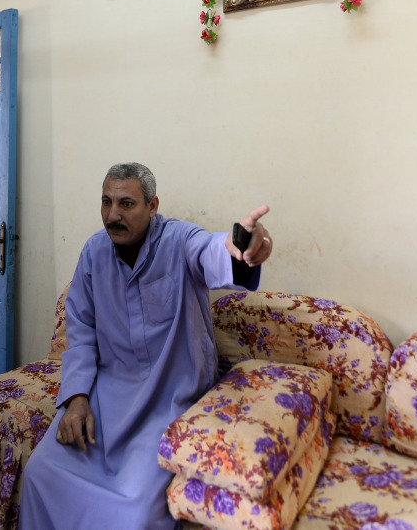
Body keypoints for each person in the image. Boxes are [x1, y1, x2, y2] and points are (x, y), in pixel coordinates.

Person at [19, 162, 273, 530]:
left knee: (135, 509)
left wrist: (240, 248)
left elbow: (212, 251)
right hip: (107, 396)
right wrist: (76, 399)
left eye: (126, 204)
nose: (112, 214)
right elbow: (81, 331)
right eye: (106, 202)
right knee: (41, 473)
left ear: (153, 206)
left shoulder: (180, 241)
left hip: (169, 400)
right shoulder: (94, 253)